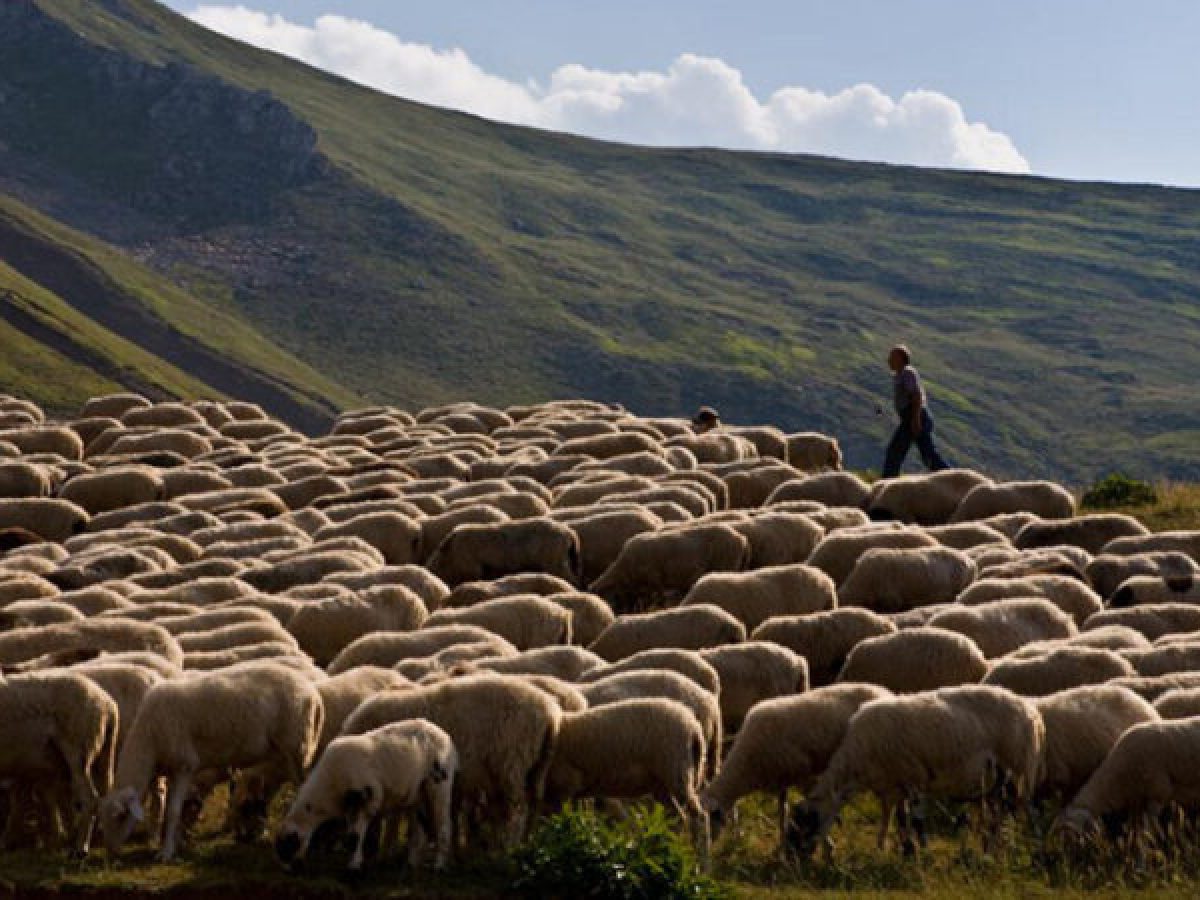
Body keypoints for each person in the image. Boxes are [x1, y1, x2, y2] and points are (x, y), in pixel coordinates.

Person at [882, 345, 950, 477]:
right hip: (913, 417)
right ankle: (951, 479)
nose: (888, 360)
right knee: (928, 454)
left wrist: (915, 418)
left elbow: (916, 395)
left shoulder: (907, 373)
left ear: (900, 359)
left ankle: (888, 483)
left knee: (895, 452)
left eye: (892, 357)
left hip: (915, 416)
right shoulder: (900, 375)